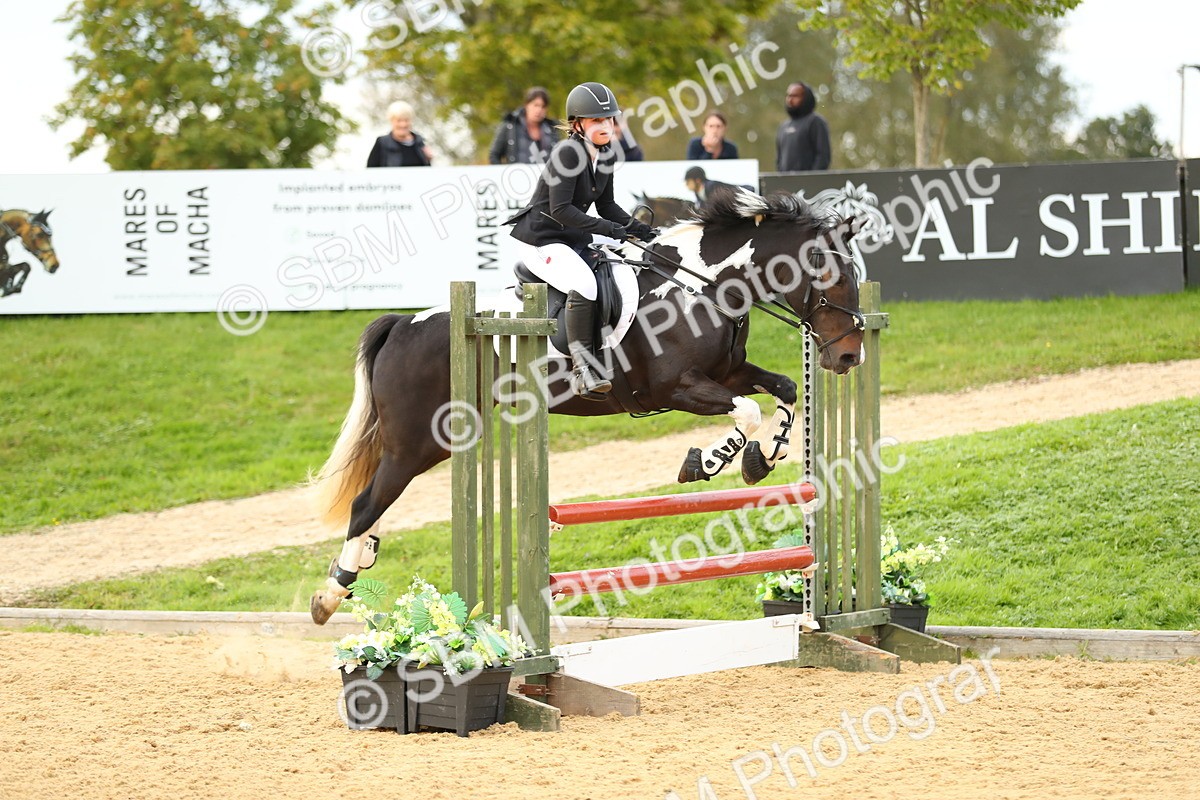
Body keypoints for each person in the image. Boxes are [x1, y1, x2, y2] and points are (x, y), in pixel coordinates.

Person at [506, 82, 657, 400]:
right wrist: (608, 230)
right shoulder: (567, 153)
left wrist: (638, 228)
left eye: (610, 119)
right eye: (597, 120)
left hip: (569, 237)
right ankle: (582, 370)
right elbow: (560, 210)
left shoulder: (607, 154)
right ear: (577, 124)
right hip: (540, 239)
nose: (606, 126)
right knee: (585, 284)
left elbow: (607, 206)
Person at [489, 86, 560, 164]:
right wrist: (503, 171)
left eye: (543, 106)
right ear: (526, 105)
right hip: (517, 171)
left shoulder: (552, 129)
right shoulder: (510, 126)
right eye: (535, 105)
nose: (539, 110)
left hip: (545, 171)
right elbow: (494, 155)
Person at [776, 82, 832, 171]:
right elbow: (779, 159)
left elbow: (823, 156)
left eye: (795, 96)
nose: (790, 100)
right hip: (786, 179)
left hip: (809, 179)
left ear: (806, 98)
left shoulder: (815, 122)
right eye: (788, 96)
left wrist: (811, 177)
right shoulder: (783, 126)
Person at [366, 101, 433, 167]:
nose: (403, 124)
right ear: (391, 121)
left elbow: (426, 170)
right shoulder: (382, 143)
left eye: (406, 120)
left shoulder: (419, 142)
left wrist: (428, 160)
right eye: (399, 120)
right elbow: (371, 170)